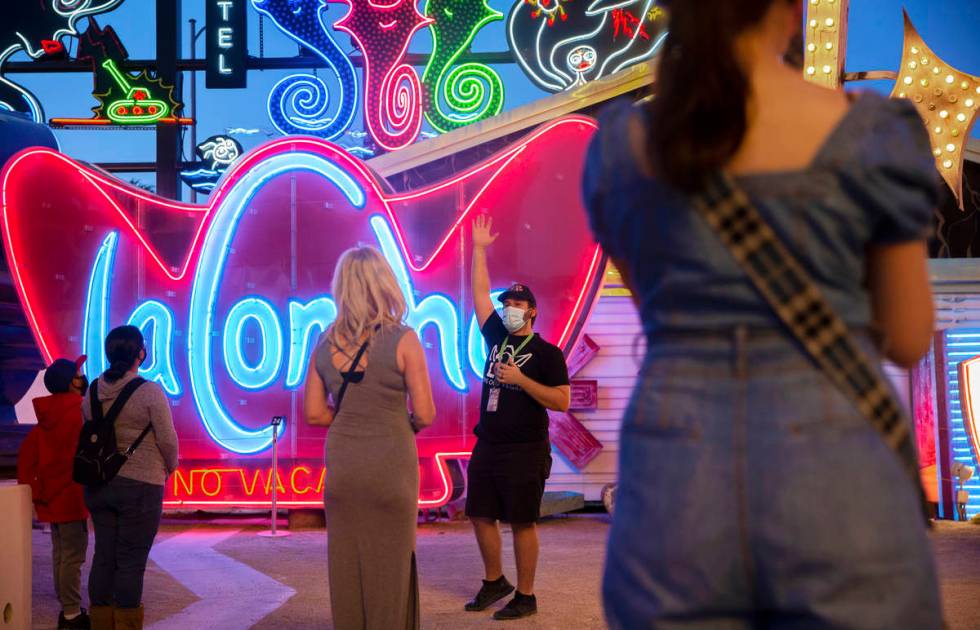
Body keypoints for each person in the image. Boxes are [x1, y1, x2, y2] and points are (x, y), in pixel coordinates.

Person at [582, 0, 942, 627]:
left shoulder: (623, 149)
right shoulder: (873, 136)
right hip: (837, 462)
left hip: (674, 460)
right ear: (790, 10)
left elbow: (654, 311)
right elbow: (909, 337)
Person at [303, 245, 436, 630]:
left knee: (347, 566)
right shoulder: (404, 339)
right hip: (390, 463)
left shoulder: (324, 343)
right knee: (391, 566)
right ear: (384, 284)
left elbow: (313, 412)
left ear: (342, 288)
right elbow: (425, 412)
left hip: (344, 465)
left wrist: (350, 419)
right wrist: (393, 423)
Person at [464, 214, 571, 621]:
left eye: (517, 305)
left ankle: (526, 595)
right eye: (507, 303)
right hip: (488, 443)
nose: (509, 309)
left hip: (526, 448)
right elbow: (477, 296)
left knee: (523, 522)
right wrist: (478, 250)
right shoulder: (497, 336)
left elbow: (561, 401)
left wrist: (522, 379)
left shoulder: (547, 354)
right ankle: (495, 581)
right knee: (479, 513)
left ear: (533, 312)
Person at [83, 325, 179, 630]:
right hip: (141, 485)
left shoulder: (93, 390)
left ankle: (100, 622)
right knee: (131, 560)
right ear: (140, 353)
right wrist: (171, 466)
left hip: (99, 484)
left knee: (104, 556)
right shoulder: (149, 391)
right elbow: (167, 438)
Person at [17, 355, 91, 629]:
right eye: (78, 373)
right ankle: (71, 614)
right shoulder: (81, 412)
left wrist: (37, 492)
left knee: (60, 552)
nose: (82, 377)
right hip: (73, 496)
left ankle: (66, 601)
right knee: (74, 555)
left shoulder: (45, 417)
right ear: (71, 381)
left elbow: (27, 459)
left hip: (52, 498)